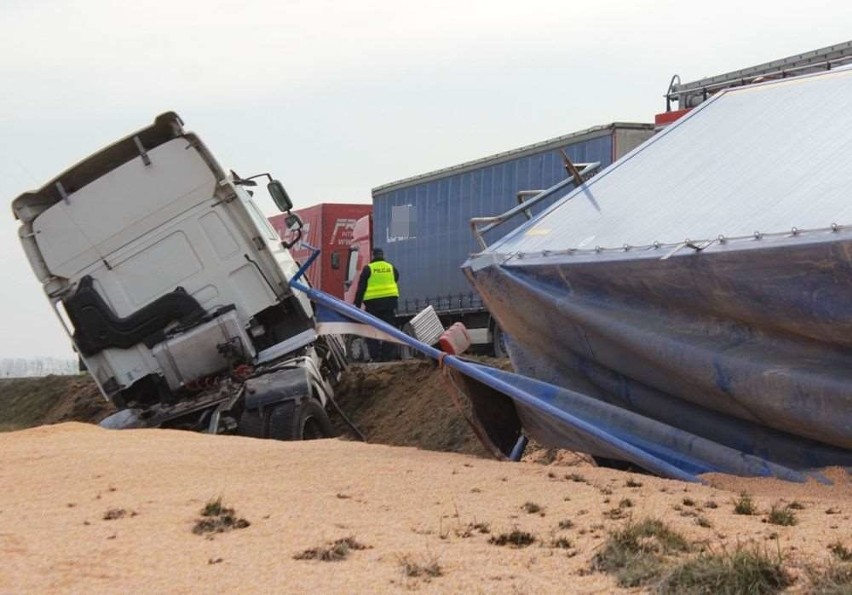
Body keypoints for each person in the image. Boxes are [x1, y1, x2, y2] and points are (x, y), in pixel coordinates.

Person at [354, 247, 400, 362]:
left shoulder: (368, 269)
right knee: (390, 331)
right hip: (389, 304)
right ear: (383, 255)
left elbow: (361, 288)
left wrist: (357, 305)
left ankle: (375, 355)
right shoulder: (391, 268)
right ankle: (386, 356)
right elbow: (396, 278)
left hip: (372, 306)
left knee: (371, 331)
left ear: (373, 256)